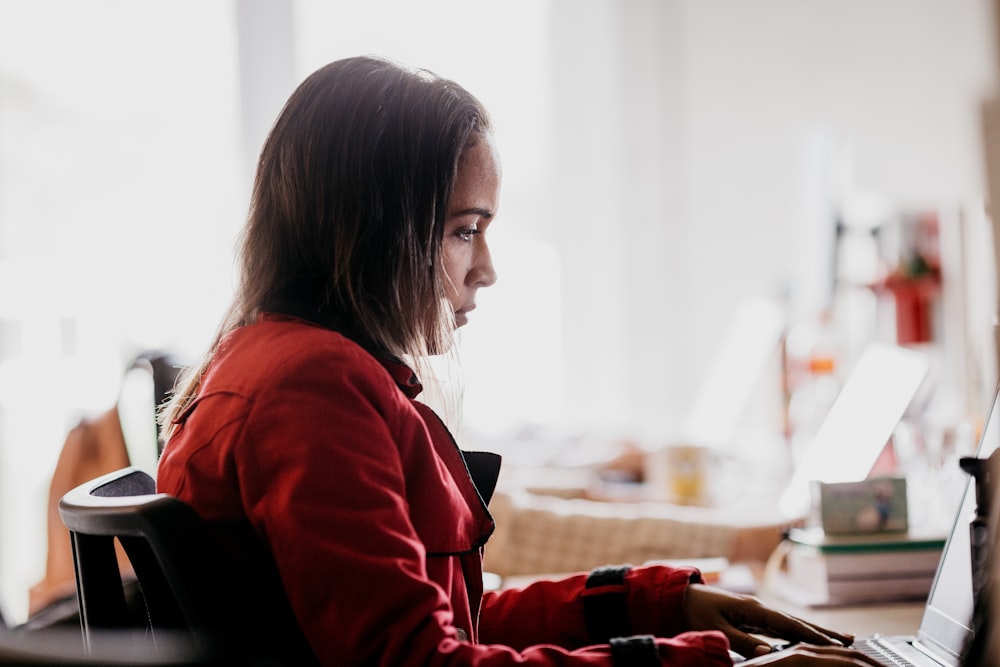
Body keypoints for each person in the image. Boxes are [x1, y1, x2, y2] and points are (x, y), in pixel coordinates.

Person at [156, 55, 880, 666]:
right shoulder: (311, 391)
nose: (488, 269)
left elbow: (448, 621)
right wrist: (694, 659)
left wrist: (654, 599)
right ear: (373, 231)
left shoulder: (274, 364)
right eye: (465, 230)